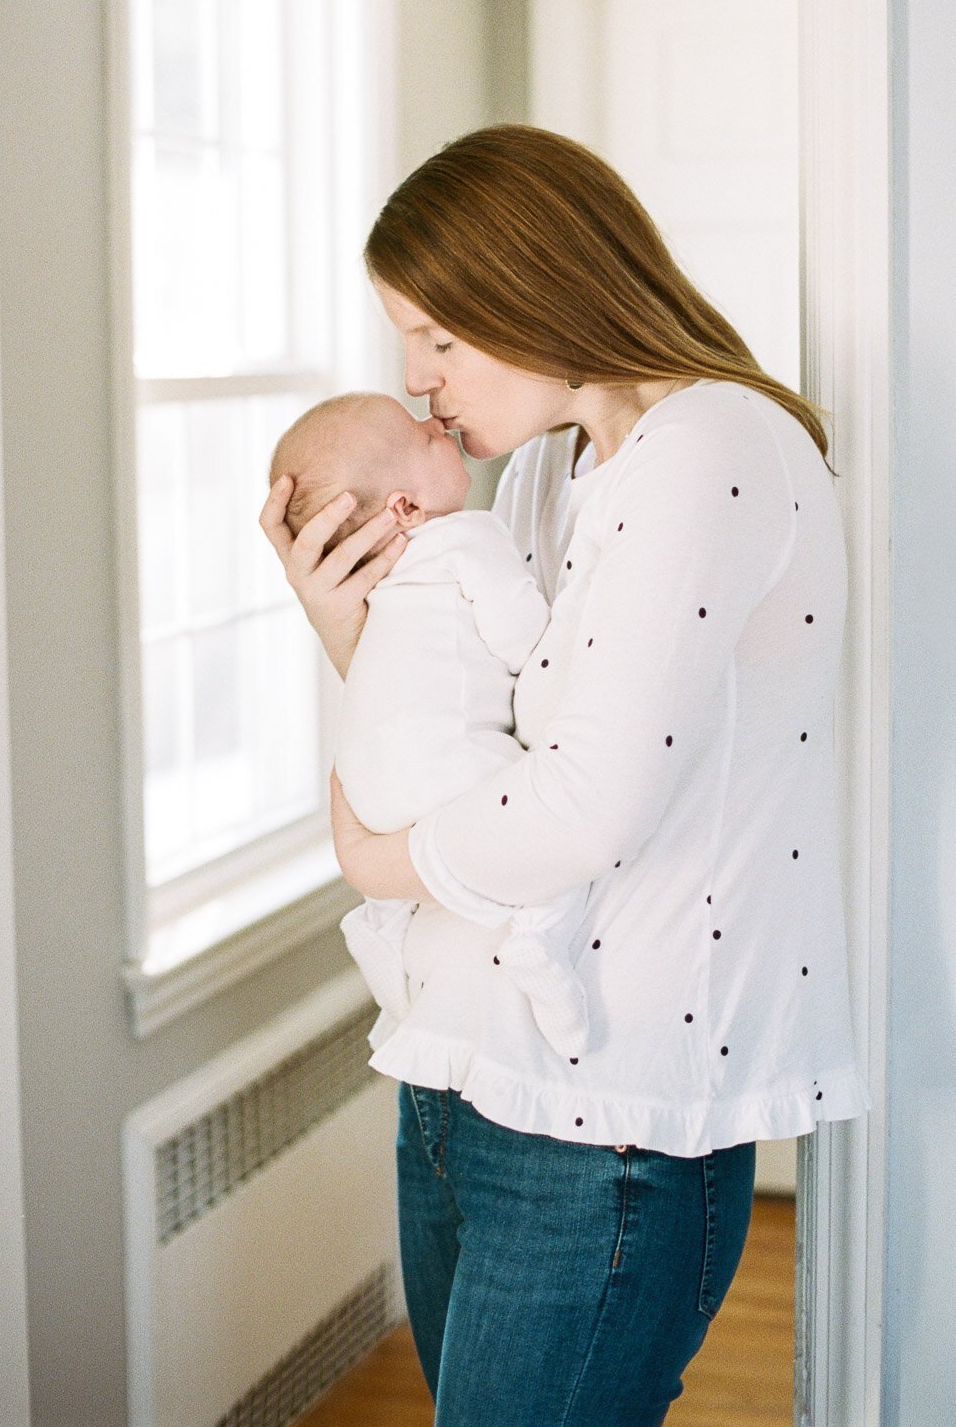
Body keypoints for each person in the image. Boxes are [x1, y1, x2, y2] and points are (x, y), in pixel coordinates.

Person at [259, 125, 871, 1427]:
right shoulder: (547, 469)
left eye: (435, 338)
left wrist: (378, 863)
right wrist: (342, 629)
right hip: (461, 1072)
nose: (418, 385)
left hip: (606, 1117)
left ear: (531, 285)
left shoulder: (711, 448)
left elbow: (584, 799)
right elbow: (461, 733)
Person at [267, 389, 592, 1057]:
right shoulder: (466, 538)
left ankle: (382, 929)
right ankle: (537, 938)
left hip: (372, 782)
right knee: (543, 845)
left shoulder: (380, 580)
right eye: (422, 436)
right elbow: (527, 640)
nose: (433, 415)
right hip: (447, 762)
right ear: (406, 507)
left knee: (425, 880)